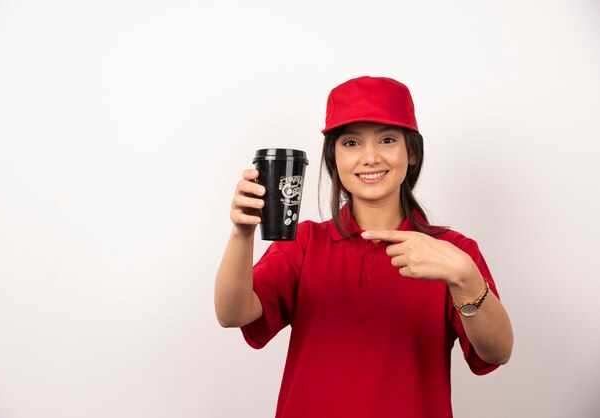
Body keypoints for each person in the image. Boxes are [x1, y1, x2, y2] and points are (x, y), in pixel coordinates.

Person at [214, 76, 514, 418]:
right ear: (334, 158)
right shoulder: (304, 243)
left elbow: (497, 352)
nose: (370, 157)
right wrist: (242, 233)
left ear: (411, 152)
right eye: (352, 143)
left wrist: (465, 278)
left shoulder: (452, 252)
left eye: (387, 140)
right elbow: (232, 313)